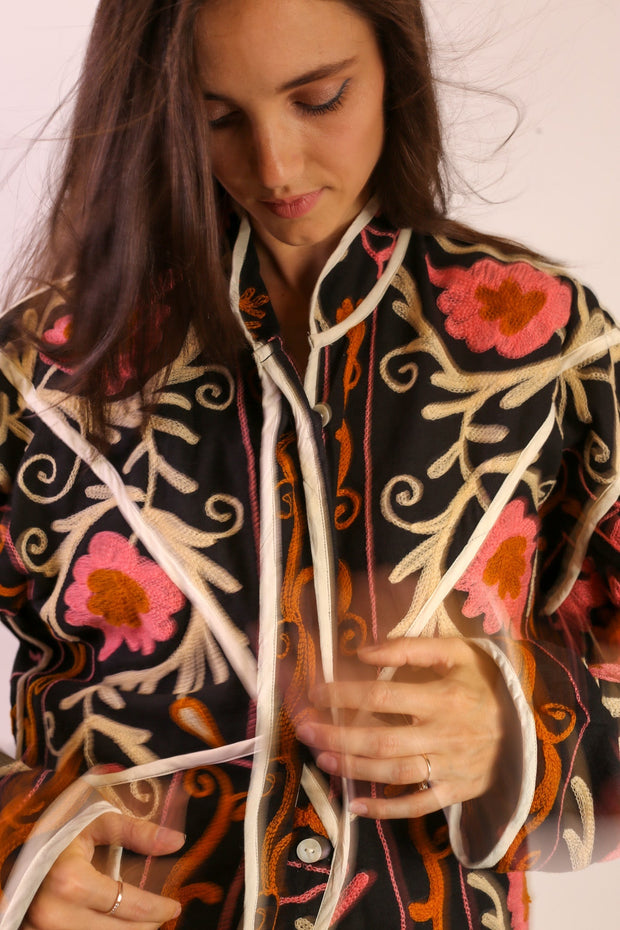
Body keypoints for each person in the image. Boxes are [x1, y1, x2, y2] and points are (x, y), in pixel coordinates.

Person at [0, 0, 618, 928]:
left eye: (321, 98)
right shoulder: (45, 371)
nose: (276, 167)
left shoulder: (542, 344)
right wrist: (15, 846)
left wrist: (517, 727)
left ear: (393, 65)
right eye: (215, 117)